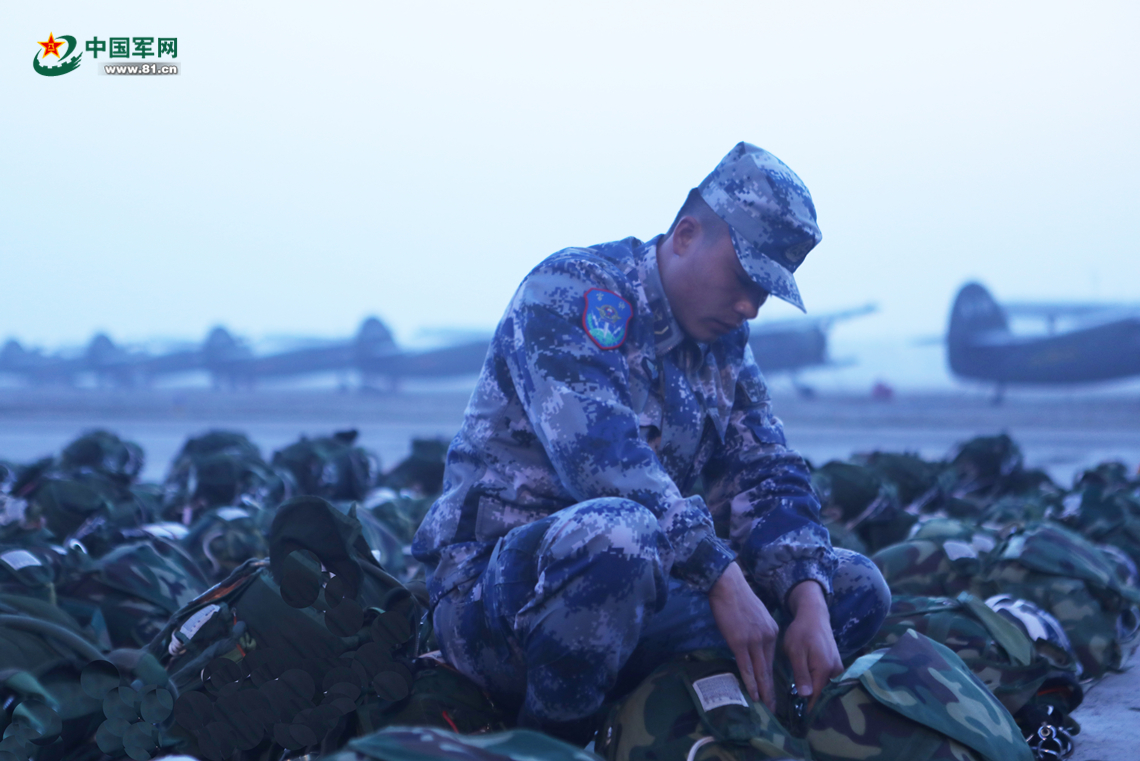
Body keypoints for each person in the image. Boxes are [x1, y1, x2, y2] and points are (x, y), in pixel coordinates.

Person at [411, 142, 890, 743]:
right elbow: (602, 460)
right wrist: (722, 578)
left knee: (853, 587)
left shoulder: (724, 346)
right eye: (743, 279)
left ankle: (683, 729)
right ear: (686, 234)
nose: (750, 307)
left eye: (764, 293)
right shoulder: (572, 291)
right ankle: (550, 747)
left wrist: (808, 598)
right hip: (500, 603)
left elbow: (766, 472)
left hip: (646, 582)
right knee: (619, 536)